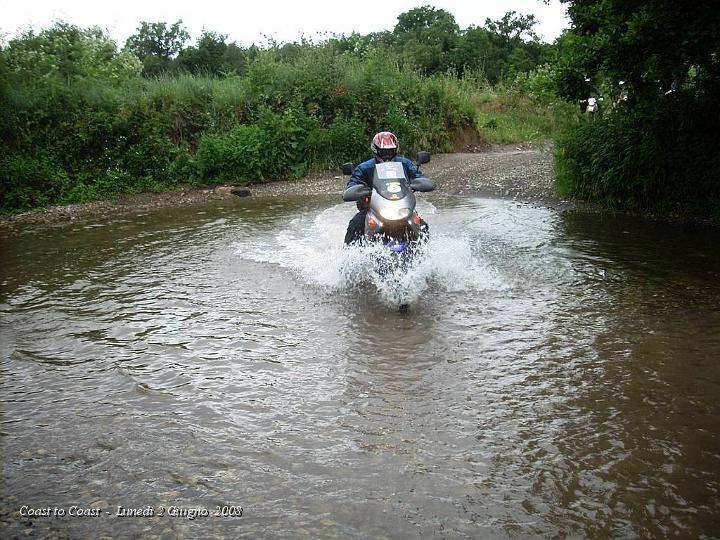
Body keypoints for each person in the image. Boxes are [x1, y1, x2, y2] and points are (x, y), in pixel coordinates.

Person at [344, 131, 429, 245]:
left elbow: (417, 175)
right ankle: (350, 258)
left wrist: (420, 182)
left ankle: (424, 255)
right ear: (376, 150)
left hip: (401, 207)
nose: (387, 155)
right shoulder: (365, 167)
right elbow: (354, 182)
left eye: (390, 151)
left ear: (396, 149)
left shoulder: (405, 163)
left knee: (422, 226)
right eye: (383, 152)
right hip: (375, 208)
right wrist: (358, 190)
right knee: (356, 224)